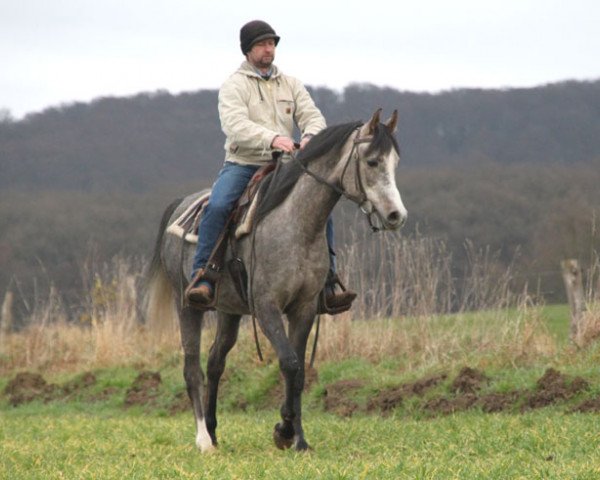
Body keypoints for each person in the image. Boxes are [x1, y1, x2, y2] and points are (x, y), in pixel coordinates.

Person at [186, 20, 356, 312]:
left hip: (287, 165)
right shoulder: (234, 86)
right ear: (248, 50)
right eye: (263, 44)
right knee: (218, 205)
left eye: (272, 43)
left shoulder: (291, 84)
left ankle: (328, 282)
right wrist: (273, 138)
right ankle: (204, 276)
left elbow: (312, 116)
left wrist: (312, 136)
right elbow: (235, 126)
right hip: (244, 163)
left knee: (320, 206)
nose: (269, 49)